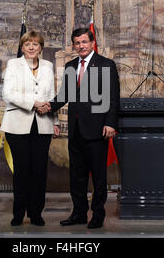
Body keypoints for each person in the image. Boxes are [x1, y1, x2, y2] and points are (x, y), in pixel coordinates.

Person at [39, 27, 120, 229]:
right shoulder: (70, 66)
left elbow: (113, 97)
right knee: (77, 176)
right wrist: (49, 106)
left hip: (97, 129)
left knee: (99, 176)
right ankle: (79, 213)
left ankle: (98, 215)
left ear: (92, 42)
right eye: (77, 43)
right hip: (75, 131)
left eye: (84, 42)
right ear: (74, 45)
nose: (80, 46)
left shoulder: (106, 64)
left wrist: (110, 123)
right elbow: (64, 95)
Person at [0, 30, 60, 226]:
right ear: (22, 47)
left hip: (43, 125)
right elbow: (8, 93)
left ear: (41, 47)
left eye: (35, 44)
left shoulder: (48, 66)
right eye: (28, 44)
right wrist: (34, 103)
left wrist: (56, 121)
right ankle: (18, 213)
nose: (32, 47)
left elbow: (51, 94)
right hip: (17, 125)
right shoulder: (13, 65)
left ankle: (36, 213)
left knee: (39, 171)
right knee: (21, 171)